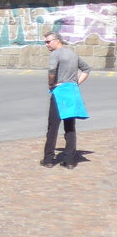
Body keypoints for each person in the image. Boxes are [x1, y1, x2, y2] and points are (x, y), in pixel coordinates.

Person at [42, 30, 90, 169]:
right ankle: (69, 161)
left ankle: (48, 159)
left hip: (60, 92)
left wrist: (51, 84)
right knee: (70, 126)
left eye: (48, 41)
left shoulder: (55, 54)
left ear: (57, 40)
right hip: (72, 92)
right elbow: (86, 69)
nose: (46, 45)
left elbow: (51, 71)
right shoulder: (73, 54)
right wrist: (76, 82)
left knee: (53, 126)